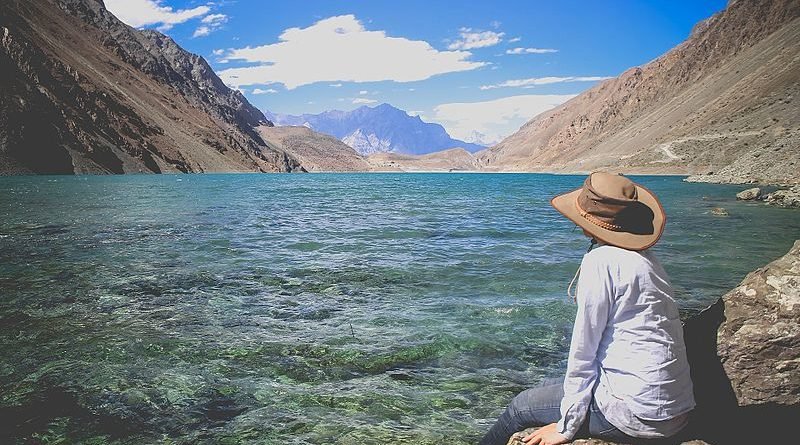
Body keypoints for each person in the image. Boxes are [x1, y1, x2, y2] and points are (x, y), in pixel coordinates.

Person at [480, 172, 695, 445]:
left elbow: (584, 349)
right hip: (673, 410)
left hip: (634, 416)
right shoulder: (647, 260)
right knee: (548, 382)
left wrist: (565, 427)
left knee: (520, 406)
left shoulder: (601, 260)